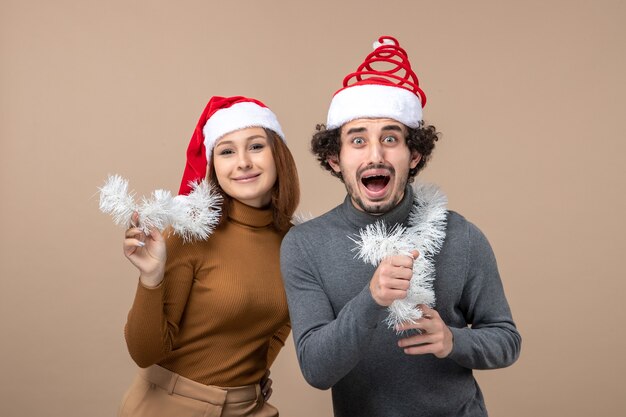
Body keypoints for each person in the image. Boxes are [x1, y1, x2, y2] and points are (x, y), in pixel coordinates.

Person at [280, 36, 521, 417]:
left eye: (390, 139)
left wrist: (451, 340)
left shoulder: (462, 237)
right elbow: (316, 369)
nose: (375, 154)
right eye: (357, 140)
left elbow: (506, 340)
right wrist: (372, 298)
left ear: (414, 155)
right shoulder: (305, 246)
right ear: (334, 159)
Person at [118, 96, 300, 417]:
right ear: (214, 165)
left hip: (249, 406)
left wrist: (248, 380)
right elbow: (145, 353)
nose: (242, 162)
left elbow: (278, 326)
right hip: (170, 406)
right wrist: (151, 278)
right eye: (227, 151)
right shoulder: (191, 233)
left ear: (278, 155)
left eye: (256, 146)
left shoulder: (293, 241)